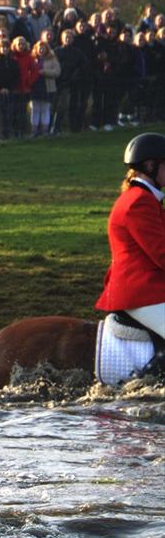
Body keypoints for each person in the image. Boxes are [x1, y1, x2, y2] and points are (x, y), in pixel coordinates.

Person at [96, 133, 165, 374]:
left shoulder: (147, 199)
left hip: (149, 288)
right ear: (150, 166)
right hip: (141, 292)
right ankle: (148, 379)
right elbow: (161, 253)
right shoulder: (139, 202)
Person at [30, 41, 59, 136]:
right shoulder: (32, 59)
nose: (41, 50)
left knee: (45, 108)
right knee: (35, 109)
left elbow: (57, 72)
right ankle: (34, 130)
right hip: (35, 87)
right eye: (40, 48)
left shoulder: (52, 59)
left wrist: (44, 72)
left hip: (47, 87)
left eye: (43, 48)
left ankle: (44, 130)